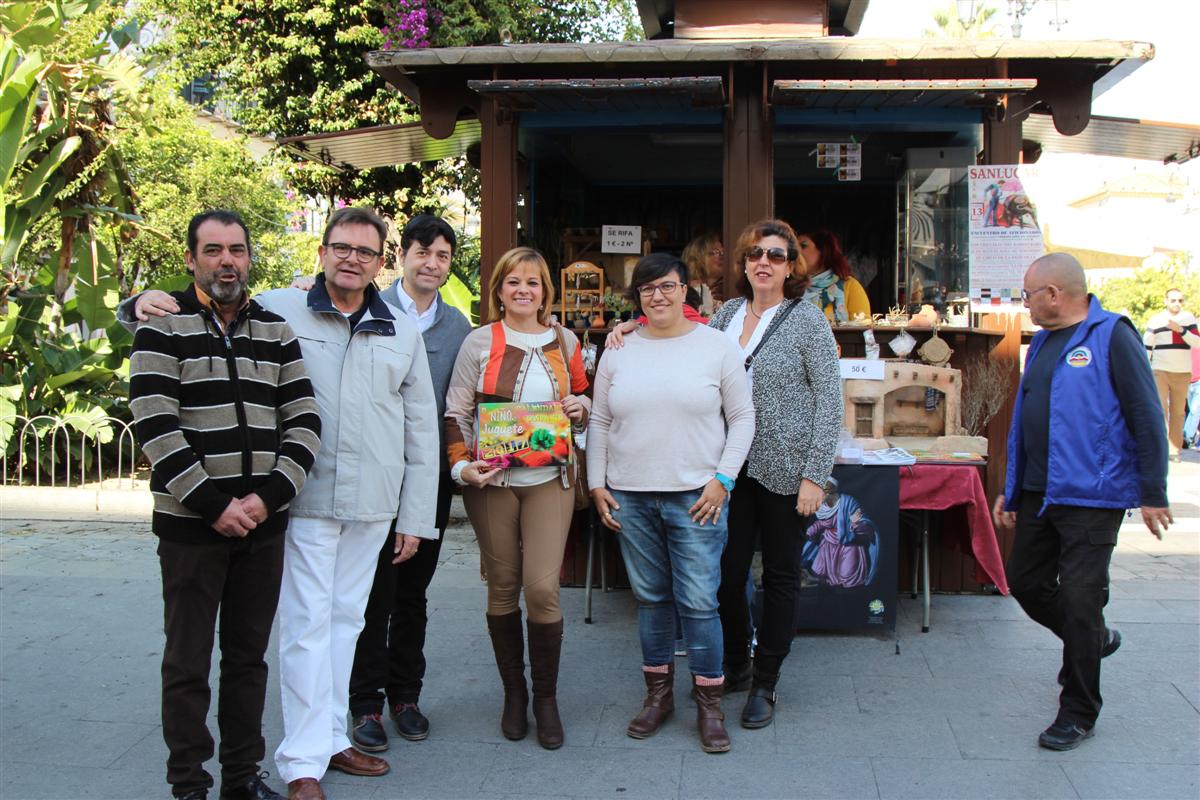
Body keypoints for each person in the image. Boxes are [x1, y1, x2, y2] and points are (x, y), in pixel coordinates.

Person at [127, 207, 441, 800]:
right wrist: (141, 300)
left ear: (381, 262)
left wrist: (416, 517)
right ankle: (300, 760)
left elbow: (421, 429)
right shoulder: (281, 308)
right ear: (322, 252)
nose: (352, 259)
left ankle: (329, 736)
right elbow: (207, 301)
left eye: (365, 252)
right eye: (341, 247)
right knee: (303, 627)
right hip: (303, 498)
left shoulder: (400, 328)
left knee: (348, 623)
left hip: (373, 502)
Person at [128, 210, 322, 800]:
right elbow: (156, 425)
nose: (226, 261)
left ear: (249, 257)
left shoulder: (274, 329)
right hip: (191, 527)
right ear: (192, 259)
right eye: (213, 251)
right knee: (187, 662)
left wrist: (265, 501)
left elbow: (306, 422)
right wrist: (214, 505)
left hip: (261, 528)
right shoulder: (161, 328)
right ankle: (188, 782)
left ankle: (242, 776)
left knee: (247, 660)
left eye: (236, 250)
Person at [992, 252, 1171, 752]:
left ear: (1054, 293)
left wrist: (1153, 492)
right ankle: (1093, 637)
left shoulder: (1113, 335)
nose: (1024, 304)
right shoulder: (1044, 341)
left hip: (1094, 495)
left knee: (1079, 597)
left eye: (1027, 295)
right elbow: (1029, 419)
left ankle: (1078, 711)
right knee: (1026, 583)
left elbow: (1145, 413)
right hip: (1039, 494)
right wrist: (1012, 487)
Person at [588, 252, 755, 753]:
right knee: (653, 600)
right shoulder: (618, 348)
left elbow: (743, 417)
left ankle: (710, 703)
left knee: (700, 602)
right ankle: (657, 696)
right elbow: (598, 421)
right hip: (630, 495)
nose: (657, 295)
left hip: (696, 496)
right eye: (647, 289)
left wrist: (723, 478)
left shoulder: (717, 347)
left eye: (666, 286)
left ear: (686, 292)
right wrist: (597, 483)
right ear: (637, 298)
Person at [444, 246, 591, 750]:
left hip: (550, 480)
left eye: (533, 282)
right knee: (503, 583)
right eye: (513, 282)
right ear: (499, 290)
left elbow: (586, 399)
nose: (523, 290)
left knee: (543, 588)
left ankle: (546, 698)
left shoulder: (565, 340)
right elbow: (456, 411)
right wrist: (463, 464)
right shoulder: (479, 342)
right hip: (493, 483)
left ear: (545, 291)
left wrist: (580, 405)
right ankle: (514, 693)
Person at [345, 214, 473, 750]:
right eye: (424, 252)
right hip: (370, 474)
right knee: (371, 591)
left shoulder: (458, 328)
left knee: (413, 592)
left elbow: (463, 403)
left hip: (429, 478)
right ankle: (364, 703)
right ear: (401, 255)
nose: (433, 264)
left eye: (443, 256)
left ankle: (406, 695)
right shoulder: (368, 308)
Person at [709, 219, 842, 729]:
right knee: (727, 574)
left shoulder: (807, 321)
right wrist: (629, 329)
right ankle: (737, 663)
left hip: (787, 470)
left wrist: (815, 474)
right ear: (743, 263)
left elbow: (831, 401)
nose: (764, 261)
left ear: (791, 268)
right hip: (728, 469)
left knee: (782, 576)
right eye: (755, 253)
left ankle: (766, 682)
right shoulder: (723, 315)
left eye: (777, 255)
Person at [1143, 289, 1200, 458]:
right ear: (1166, 301)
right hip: (1159, 369)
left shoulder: (1189, 319)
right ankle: (1161, 446)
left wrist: (1181, 330)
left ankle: (1174, 448)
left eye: (1180, 300)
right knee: (1160, 408)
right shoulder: (1156, 320)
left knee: (1178, 411)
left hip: (1182, 371)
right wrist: (1144, 368)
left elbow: (1197, 342)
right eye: (1173, 300)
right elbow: (1147, 346)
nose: (1177, 303)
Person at [800, 478, 879, 589]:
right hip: (828, 543)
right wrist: (809, 532)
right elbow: (821, 524)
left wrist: (854, 524)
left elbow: (862, 522)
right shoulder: (823, 507)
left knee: (847, 575)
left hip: (849, 544)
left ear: (829, 492)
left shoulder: (848, 502)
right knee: (818, 570)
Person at [796, 228, 870, 324]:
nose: (796, 252)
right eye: (794, 248)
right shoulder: (790, 289)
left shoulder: (850, 286)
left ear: (823, 249)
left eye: (803, 246)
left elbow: (864, 329)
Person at [680, 232, 725, 314]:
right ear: (698, 257)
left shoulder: (729, 288)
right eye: (716, 252)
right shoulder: (684, 291)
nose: (722, 255)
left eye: (723, 251)